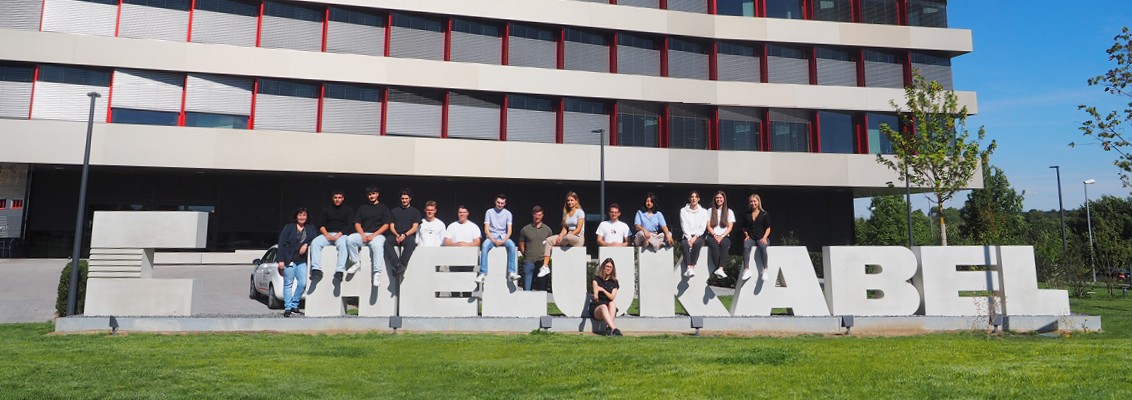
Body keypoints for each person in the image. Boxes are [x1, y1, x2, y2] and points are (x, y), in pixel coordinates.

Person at [347, 186, 392, 287]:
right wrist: (362, 234)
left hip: (378, 235)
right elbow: (357, 223)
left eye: (373, 194)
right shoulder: (362, 208)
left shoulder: (383, 208)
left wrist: (374, 235)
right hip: (364, 234)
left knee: (377, 246)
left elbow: (386, 225)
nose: (371, 196)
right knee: (350, 239)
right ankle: (355, 262)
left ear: (377, 194)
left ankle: (377, 273)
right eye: (369, 194)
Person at [277, 208, 315, 317]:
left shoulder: (310, 228)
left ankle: (295, 304)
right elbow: (281, 243)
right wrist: (280, 260)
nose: (302, 217)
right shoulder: (289, 227)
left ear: (307, 217)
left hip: (302, 261)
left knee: (302, 283)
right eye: (300, 215)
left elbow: (314, 238)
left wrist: (306, 244)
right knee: (288, 284)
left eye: (304, 215)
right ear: (296, 216)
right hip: (289, 260)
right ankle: (288, 307)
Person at [310, 189, 353, 283]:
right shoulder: (326, 210)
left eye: (339, 198)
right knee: (315, 243)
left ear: (343, 198)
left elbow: (350, 225)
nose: (337, 199)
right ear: (332, 198)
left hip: (341, 235)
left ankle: (339, 271)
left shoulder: (348, 210)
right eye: (335, 197)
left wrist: (339, 234)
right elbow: (320, 224)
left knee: (343, 244)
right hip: (327, 234)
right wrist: (326, 234)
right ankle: (316, 269)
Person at [541, 191, 585, 277]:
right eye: (568, 200)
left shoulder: (580, 212)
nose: (570, 202)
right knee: (549, 240)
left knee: (568, 237)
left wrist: (564, 237)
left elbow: (579, 229)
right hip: (567, 236)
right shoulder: (566, 213)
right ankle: (545, 266)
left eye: (572, 200)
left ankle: (557, 244)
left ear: (576, 201)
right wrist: (561, 236)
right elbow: (564, 228)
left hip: (578, 237)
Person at [479, 194, 520, 283]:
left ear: (505, 204)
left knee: (512, 245)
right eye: (498, 202)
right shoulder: (489, 212)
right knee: (485, 246)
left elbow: (509, 231)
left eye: (502, 203)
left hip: (503, 236)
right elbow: (486, 229)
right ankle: (483, 273)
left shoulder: (508, 214)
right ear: (495, 202)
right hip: (491, 236)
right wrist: (493, 240)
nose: (500, 205)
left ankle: (512, 272)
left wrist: (503, 241)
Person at [385, 188, 421, 278]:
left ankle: (402, 264)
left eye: (406, 198)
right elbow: (391, 226)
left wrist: (405, 235)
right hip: (396, 235)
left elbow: (415, 227)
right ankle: (397, 264)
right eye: (402, 199)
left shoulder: (415, 212)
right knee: (387, 242)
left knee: (411, 242)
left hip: (407, 236)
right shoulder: (394, 211)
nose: (404, 200)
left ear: (410, 199)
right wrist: (397, 235)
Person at [518, 205, 553, 291]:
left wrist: (547, 258)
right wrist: (525, 254)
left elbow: (551, 245)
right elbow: (521, 242)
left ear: (542, 215)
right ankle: (526, 304)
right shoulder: (525, 229)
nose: (537, 217)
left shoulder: (547, 230)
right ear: (533, 215)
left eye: (539, 215)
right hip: (529, 262)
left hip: (542, 263)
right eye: (536, 215)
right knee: (527, 289)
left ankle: (541, 305)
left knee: (542, 290)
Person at [704, 191, 735, 279]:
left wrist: (721, 236)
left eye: (720, 198)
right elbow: (708, 226)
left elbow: (730, 227)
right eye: (717, 198)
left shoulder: (729, 211)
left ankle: (720, 268)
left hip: (724, 236)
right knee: (714, 246)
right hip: (712, 236)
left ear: (724, 199)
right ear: (714, 199)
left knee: (725, 244)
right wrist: (715, 235)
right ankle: (719, 269)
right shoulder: (710, 211)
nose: (719, 199)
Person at [741, 194, 772, 282]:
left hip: (762, 237)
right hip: (751, 238)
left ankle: (765, 269)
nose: (753, 203)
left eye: (755, 201)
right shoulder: (747, 214)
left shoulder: (764, 214)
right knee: (746, 245)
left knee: (762, 246)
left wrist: (765, 237)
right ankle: (746, 270)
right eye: (751, 201)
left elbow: (768, 228)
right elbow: (744, 228)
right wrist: (746, 235)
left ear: (758, 202)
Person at [679, 191, 708, 277]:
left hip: (698, 236)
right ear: (689, 199)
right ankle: (689, 267)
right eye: (692, 197)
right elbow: (684, 225)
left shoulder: (704, 211)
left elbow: (702, 227)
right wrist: (689, 238)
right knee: (684, 244)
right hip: (687, 236)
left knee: (698, 243)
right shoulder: (683, 211)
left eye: (695, 197)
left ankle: (692, 266)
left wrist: (695, 237)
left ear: (698, 199)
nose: (693, 199)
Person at [590, 258, 622, 336]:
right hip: (597, 308)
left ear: (613, 269)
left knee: (612, 303)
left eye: (610, 267)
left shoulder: (614, 282)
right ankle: (614, 329)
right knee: (604, 306)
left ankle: (608, 329)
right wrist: (596, 293)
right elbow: (596, 296)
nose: (608, 268)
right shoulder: (596, 279)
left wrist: (603, 290)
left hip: (609, 307)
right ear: (603, 267)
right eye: (607, 266)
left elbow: (612, 297)